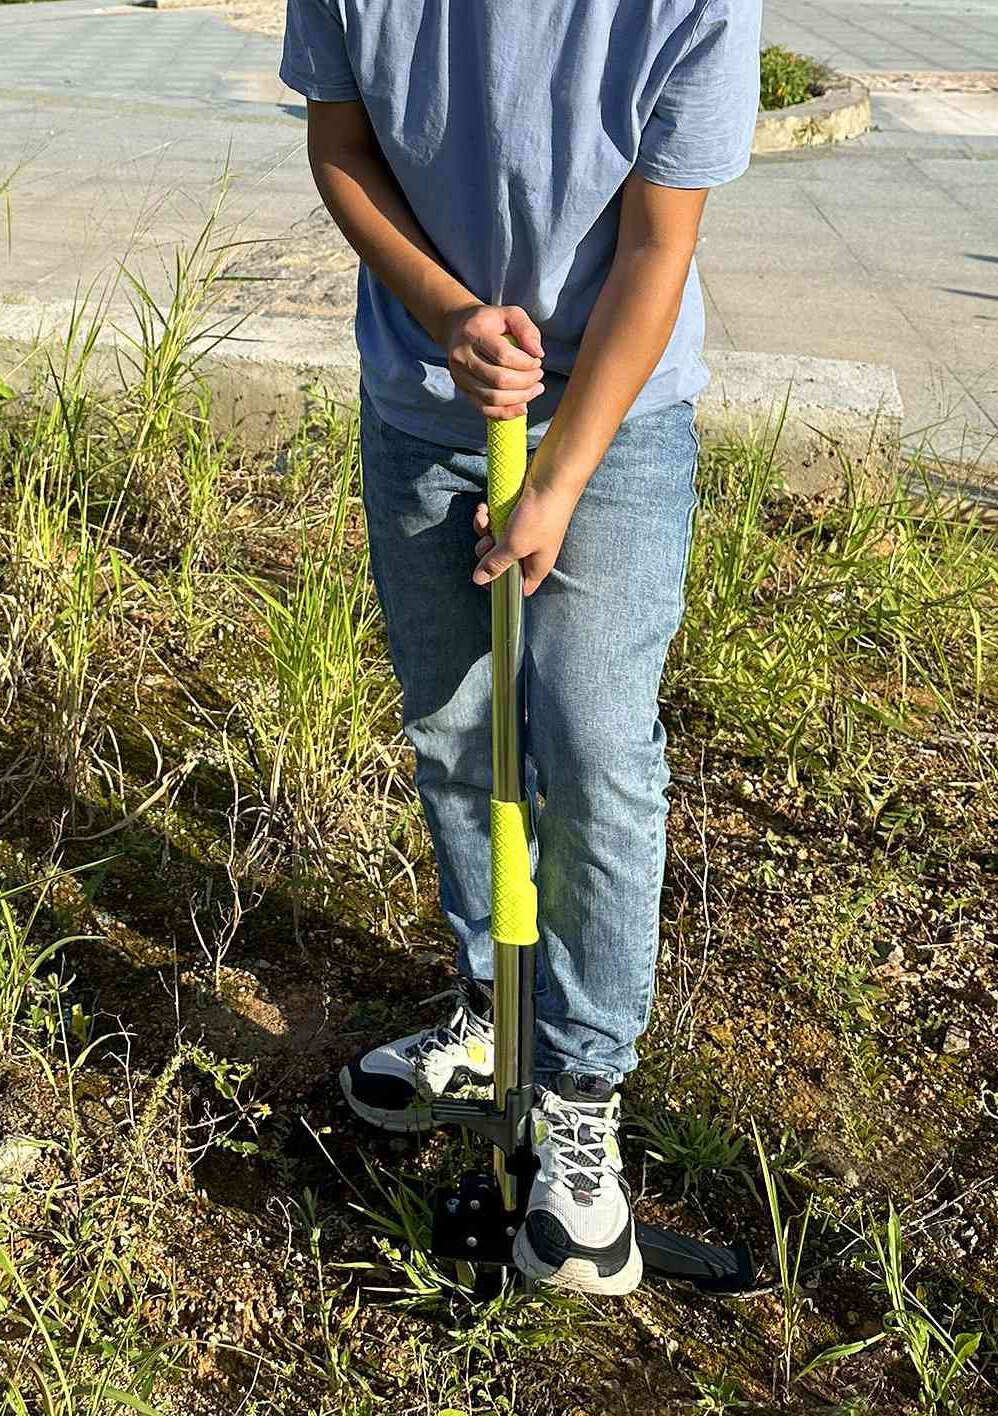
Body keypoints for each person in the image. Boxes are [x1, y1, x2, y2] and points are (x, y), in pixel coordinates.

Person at [281, 0, 761, 1295]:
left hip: (618, 411)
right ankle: (496, 1018)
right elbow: (341, 148)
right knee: (455, 727)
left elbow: (661, 249)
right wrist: (445, 312)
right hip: (425, 407)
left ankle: (584, 1090)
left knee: (598, 746)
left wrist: (560, 477)